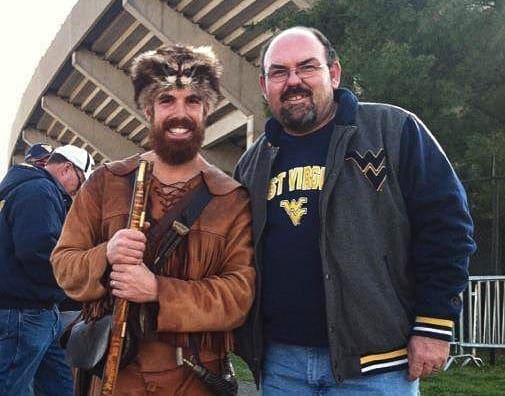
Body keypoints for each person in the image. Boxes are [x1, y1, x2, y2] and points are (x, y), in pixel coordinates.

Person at [234, 26, 476, 395]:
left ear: (334, 72)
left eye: (307, 67)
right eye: (279, 72)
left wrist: (434, 324)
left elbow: (447, 229)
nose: (293, 80)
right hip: (281, 363)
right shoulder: (252, 163)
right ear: (264, 85)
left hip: (377, 364)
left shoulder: (392, 130)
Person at [51, 43, 255, 396]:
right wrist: (107, 254)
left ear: (207, 110)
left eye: (192, 101)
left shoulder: (230, 197)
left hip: (194, 378)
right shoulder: (106, 182)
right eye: (166, 101)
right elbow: (64, 266)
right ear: (148, 109)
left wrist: (158, 291)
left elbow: (240, 294)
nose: (181, 113)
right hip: (115, 375)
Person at [0, 145, 94, 396]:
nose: (78, 191)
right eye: (81, 182)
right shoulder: (40, 192)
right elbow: (38, 251)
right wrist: (75, 283)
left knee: (60, 386)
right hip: (26, 312)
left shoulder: (19, 188)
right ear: (67, 168)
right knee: (10, 387)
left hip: (36, 312)